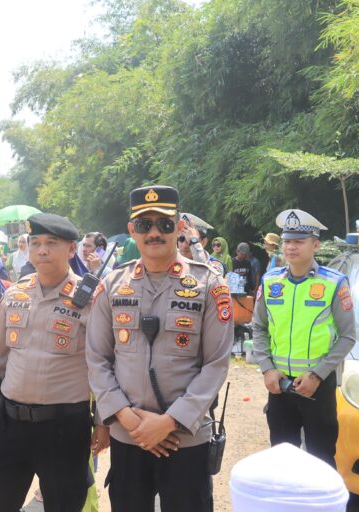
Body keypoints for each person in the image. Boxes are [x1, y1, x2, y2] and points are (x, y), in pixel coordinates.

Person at [86, 185, 234, 512]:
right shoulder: (111, 286)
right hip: (129, 436)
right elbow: (97, 358)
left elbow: (216, 364)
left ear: (180, 227)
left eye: (164, 224)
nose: (154, 232)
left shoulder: (210, 285)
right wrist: (125, 417)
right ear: (132, 231)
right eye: (144, 225)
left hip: (185, 438)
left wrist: (168, 422)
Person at [0, 213, 109, 511]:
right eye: (36, 243)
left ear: (71, 249)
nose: (42, 250)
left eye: (51, 243)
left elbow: (104, 364)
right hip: (9, 424)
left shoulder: (92, 298)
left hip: (63, 427)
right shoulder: (16, 293)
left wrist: (102, 421)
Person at [252, 209, 356, 468]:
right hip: (280, 386)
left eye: (299, 241)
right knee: (281, 461)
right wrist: (267, 370)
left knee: (321, 461)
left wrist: (317, 375)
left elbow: (347, 337)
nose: (290, 247)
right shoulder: (270, 282)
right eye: (287, 241)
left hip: (317, 388)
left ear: (316, 245)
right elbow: (259, 328)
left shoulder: (334, 284)